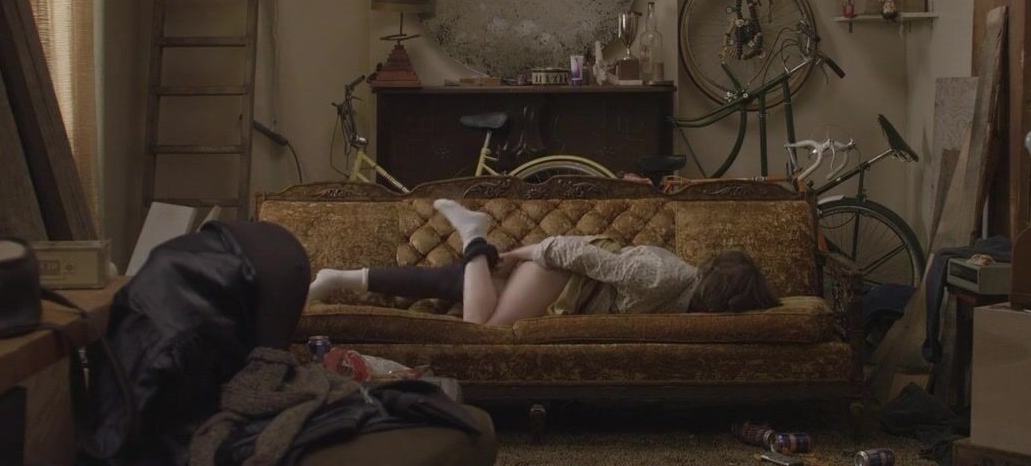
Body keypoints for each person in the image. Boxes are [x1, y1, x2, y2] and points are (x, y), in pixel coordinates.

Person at [307, 199, 780, 327]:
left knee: (456, 284)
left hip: (564, 285)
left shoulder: (683, 294)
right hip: (557, 271)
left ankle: (337, 278)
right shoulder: (663, 277)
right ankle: (473, 235)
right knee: (483, 329)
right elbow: (574, 252)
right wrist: (514, 255)